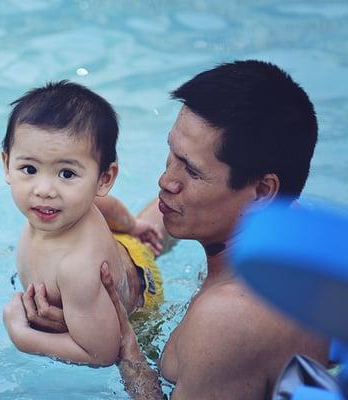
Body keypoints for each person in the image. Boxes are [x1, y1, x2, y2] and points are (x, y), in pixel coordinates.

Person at [17, 61, 329, 399]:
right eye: (173, 153)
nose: (166, 180)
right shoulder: (293, 225)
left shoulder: (227, 321)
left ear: (264, 192)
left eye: (191, 171)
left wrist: (123, 344)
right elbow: (152, 231)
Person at [1, 81, 163, 366]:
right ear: (6, 165)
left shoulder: (77, 268)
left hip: (139, 299)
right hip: (123, 244)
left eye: (66, 173)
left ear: (104, 179)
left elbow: (102, 353)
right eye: (29, 169)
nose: (44, 189)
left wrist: (22, 336)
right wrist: (133, 226)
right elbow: (106, 205)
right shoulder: (65, 207)